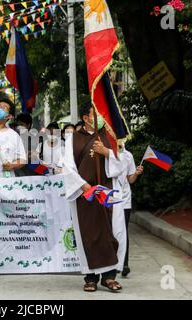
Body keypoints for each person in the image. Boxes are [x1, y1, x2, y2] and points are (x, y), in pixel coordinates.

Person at [63, 101, 126, 293]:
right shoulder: (73, 139)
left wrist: (106, 152)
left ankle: (109, 277)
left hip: (108, 191)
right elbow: (67, 167)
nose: (99, 117)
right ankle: (90, 277)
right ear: (85, 118)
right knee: (88, 233)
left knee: (112, 232)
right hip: (85, 193)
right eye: (94, 113)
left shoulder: (109, 137)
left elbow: (122, 164)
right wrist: (84, 186)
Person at [117, 143, 144, 277]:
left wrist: (137, 173)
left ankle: (124, 264)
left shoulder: (128, 156)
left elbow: (130, 179)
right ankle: (111, 262)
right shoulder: (106, 153)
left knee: (123, 230)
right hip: (109, 199)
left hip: (124, 199)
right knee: (111, 231)